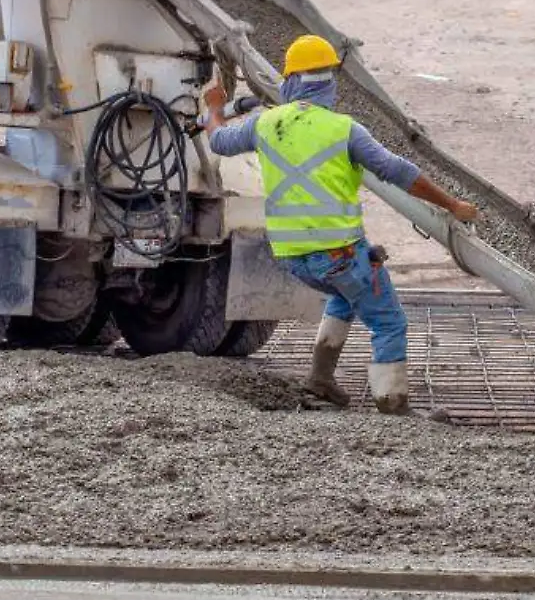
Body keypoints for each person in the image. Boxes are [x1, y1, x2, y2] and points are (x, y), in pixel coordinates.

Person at [203, 35, 478, 415]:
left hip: (291, 257)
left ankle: (320, 380)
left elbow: (218, 140)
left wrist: (214, 108)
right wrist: (453, 204)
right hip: (338, 255)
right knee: (388, 321)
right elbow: (397, 171)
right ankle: (393, 404)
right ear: (329, 81)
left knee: (344, 294)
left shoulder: (265, 124)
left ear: (291, 81)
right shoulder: (344, 129)